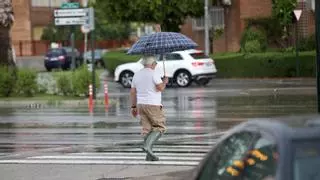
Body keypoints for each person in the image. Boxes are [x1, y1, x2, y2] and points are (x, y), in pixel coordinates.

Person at [130, 55, 168, 161]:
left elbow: (133, 92)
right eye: (155, 63)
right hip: (153, 104)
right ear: (152, 64)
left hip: (141, 105)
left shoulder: (136, 75)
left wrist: (133, 106)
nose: (156, 65)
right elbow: (160, 88)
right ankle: (147, 146)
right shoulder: (154, 73)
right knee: (160, 127)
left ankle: (149, 155)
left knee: (147, 129)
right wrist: (164, 82)